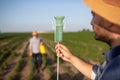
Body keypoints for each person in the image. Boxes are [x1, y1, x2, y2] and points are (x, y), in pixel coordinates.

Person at [55, 0, 120, 80]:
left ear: (109, 20)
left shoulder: (115, 71)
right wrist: (71, 58)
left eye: (94, 15)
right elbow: (98, 73)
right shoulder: (114, 61)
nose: (91, 22)